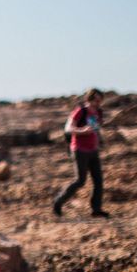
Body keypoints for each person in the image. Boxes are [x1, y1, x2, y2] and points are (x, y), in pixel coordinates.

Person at [52, 88, 108, 218]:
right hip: (79, 150)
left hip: (93, 150)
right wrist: (83, 131)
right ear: (89, 99)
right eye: (95, 100)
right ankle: (58, 201)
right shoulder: (80, 111)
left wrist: (99, 140)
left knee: (98, 180)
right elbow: (69, 128)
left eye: (100, 100)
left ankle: (96, 209)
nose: (98, 102)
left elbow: (97, 128)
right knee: (80, 180)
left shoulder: (99, 112)